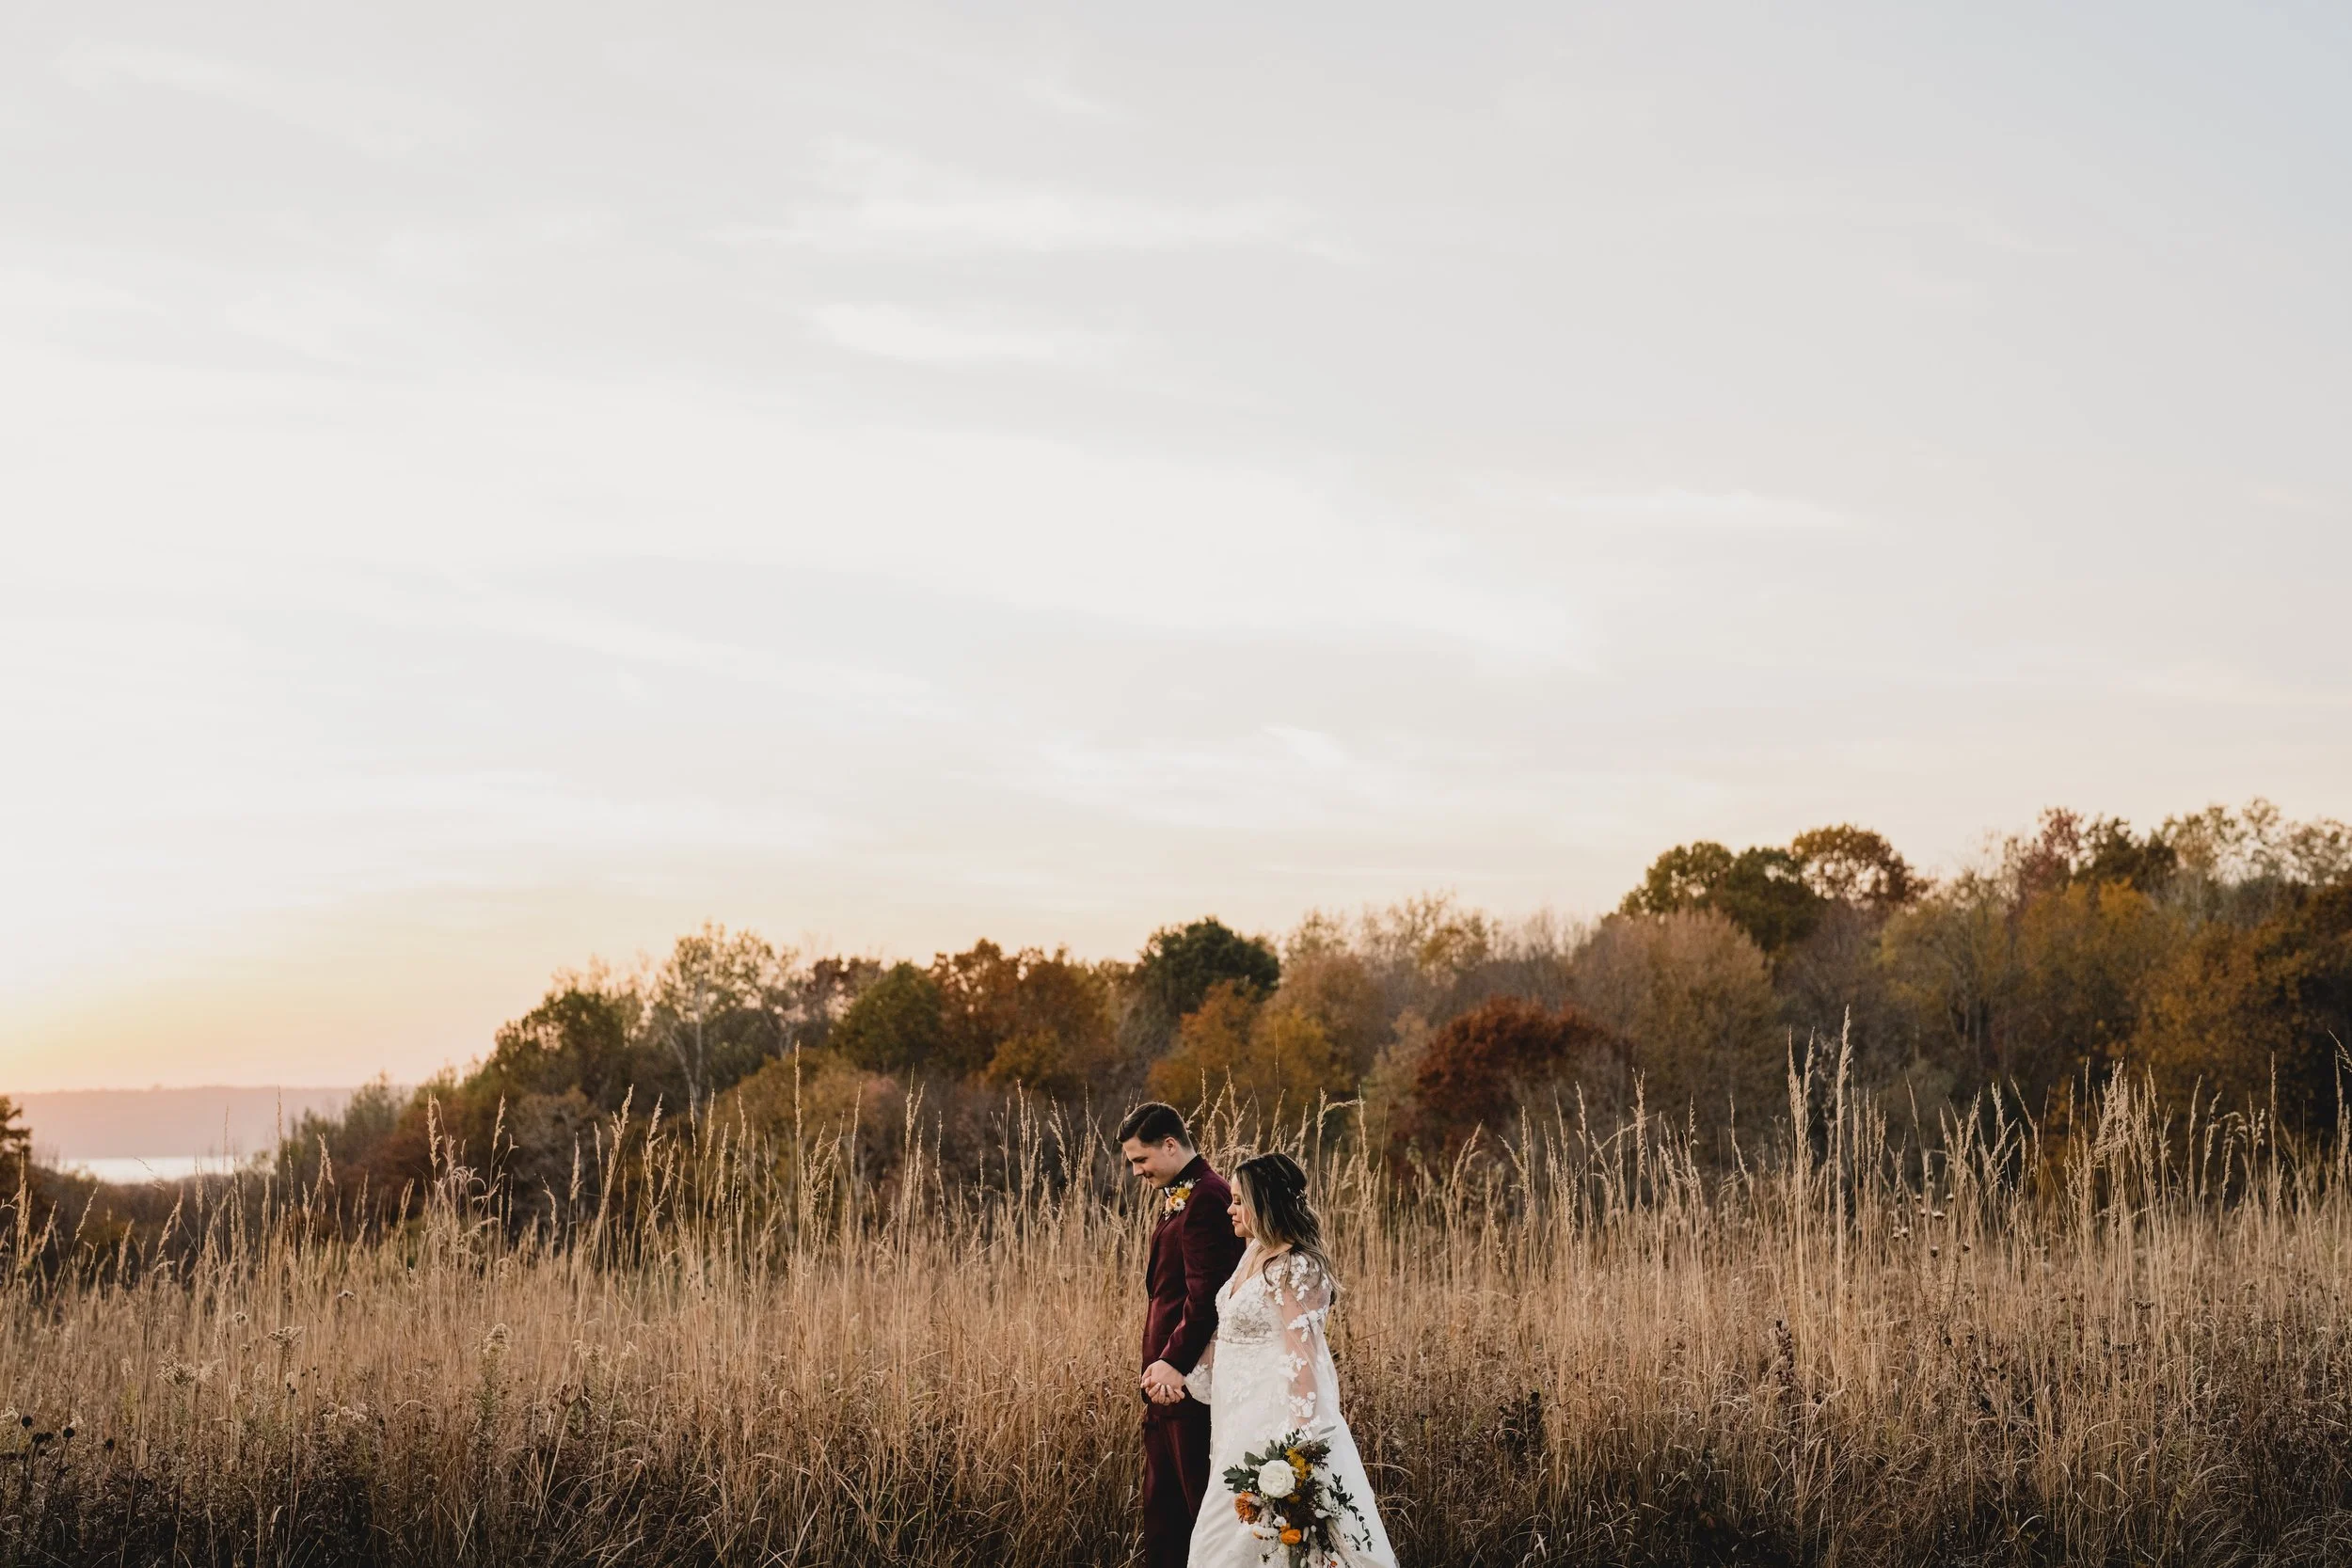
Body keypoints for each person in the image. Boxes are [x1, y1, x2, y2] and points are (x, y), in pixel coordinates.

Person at [1185, 1151, 1396, 1568]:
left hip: (1273, 1424)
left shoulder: (1297, 1267)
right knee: (1230, 1526)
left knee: (1258, 1534)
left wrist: (1299, 1448)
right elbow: (1231, 1330)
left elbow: (1304, 1358)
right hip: (1234, 1418)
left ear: (1265, 1203)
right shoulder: (1253, 1254)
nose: (1230, 1208)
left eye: (1239, 1200)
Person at [1122, 1101, 1248, 1568]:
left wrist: (1173, 1362)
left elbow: (1206, 1296)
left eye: (1141, 1159)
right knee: (1165, 1512)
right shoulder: (1185, 1194)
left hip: (1188, 1384)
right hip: (1168, 1381)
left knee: (1193, 1510)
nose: (1137, 1172)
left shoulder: (1208, 1198)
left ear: (1171, 1145)